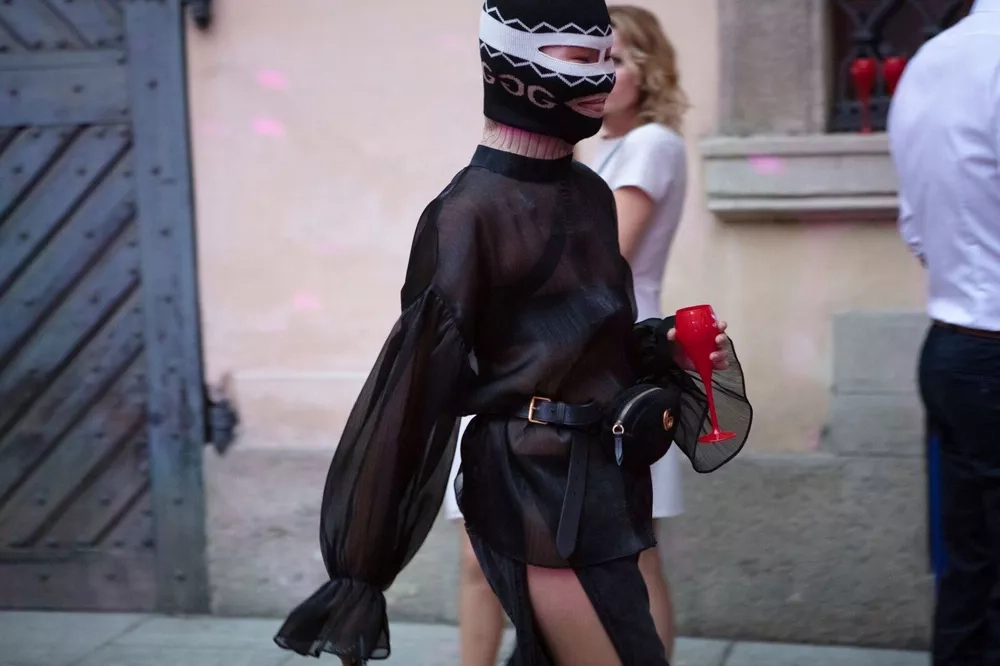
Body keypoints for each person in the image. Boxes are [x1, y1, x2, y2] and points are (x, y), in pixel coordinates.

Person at [274, 1, 752, 664]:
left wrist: (660, 345)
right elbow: (414, 391)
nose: (601, 76)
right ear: (512, 63)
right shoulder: (466, 213)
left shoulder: (590, 193)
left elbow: (597, 342)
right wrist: (361, 569)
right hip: (530, 483)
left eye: (607, 58)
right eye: (580, 58)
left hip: (606, 478)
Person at [887, 2, 1000, 664]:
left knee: (967, 566)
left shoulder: (930, 60)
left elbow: (916, 228)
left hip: (955, 342)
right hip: (989, 345)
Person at [586, 6, 690, 656]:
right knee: (622, 543)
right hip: (612, 338)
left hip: (622, 344)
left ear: (647, 70)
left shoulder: (651, 143)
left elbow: (607, 258)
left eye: (616, 59)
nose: (601, 73)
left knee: (636, 547)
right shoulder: (613, 148)